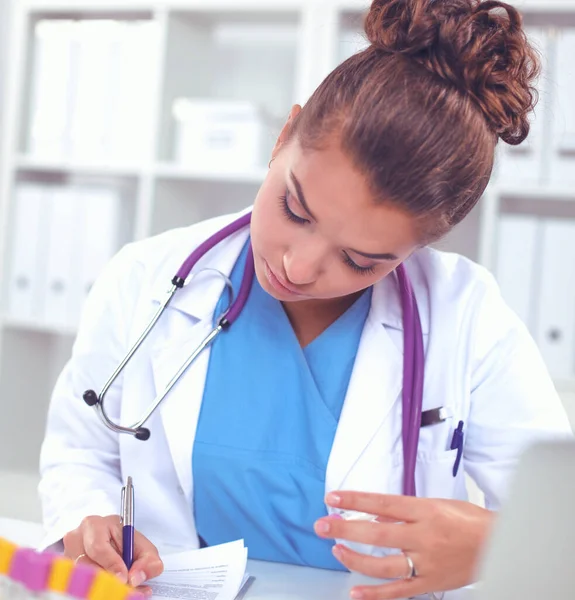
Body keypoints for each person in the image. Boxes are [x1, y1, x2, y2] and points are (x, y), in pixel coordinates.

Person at [39, 0, 572, 598]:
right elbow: (81, 451)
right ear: (285, 134)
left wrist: (496, 546)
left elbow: (558, 521)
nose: (298, 265)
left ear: (419, 247)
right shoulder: (145, 279)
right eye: (295, 209)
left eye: (360, 261)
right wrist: (85, 522)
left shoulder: (466, 317)